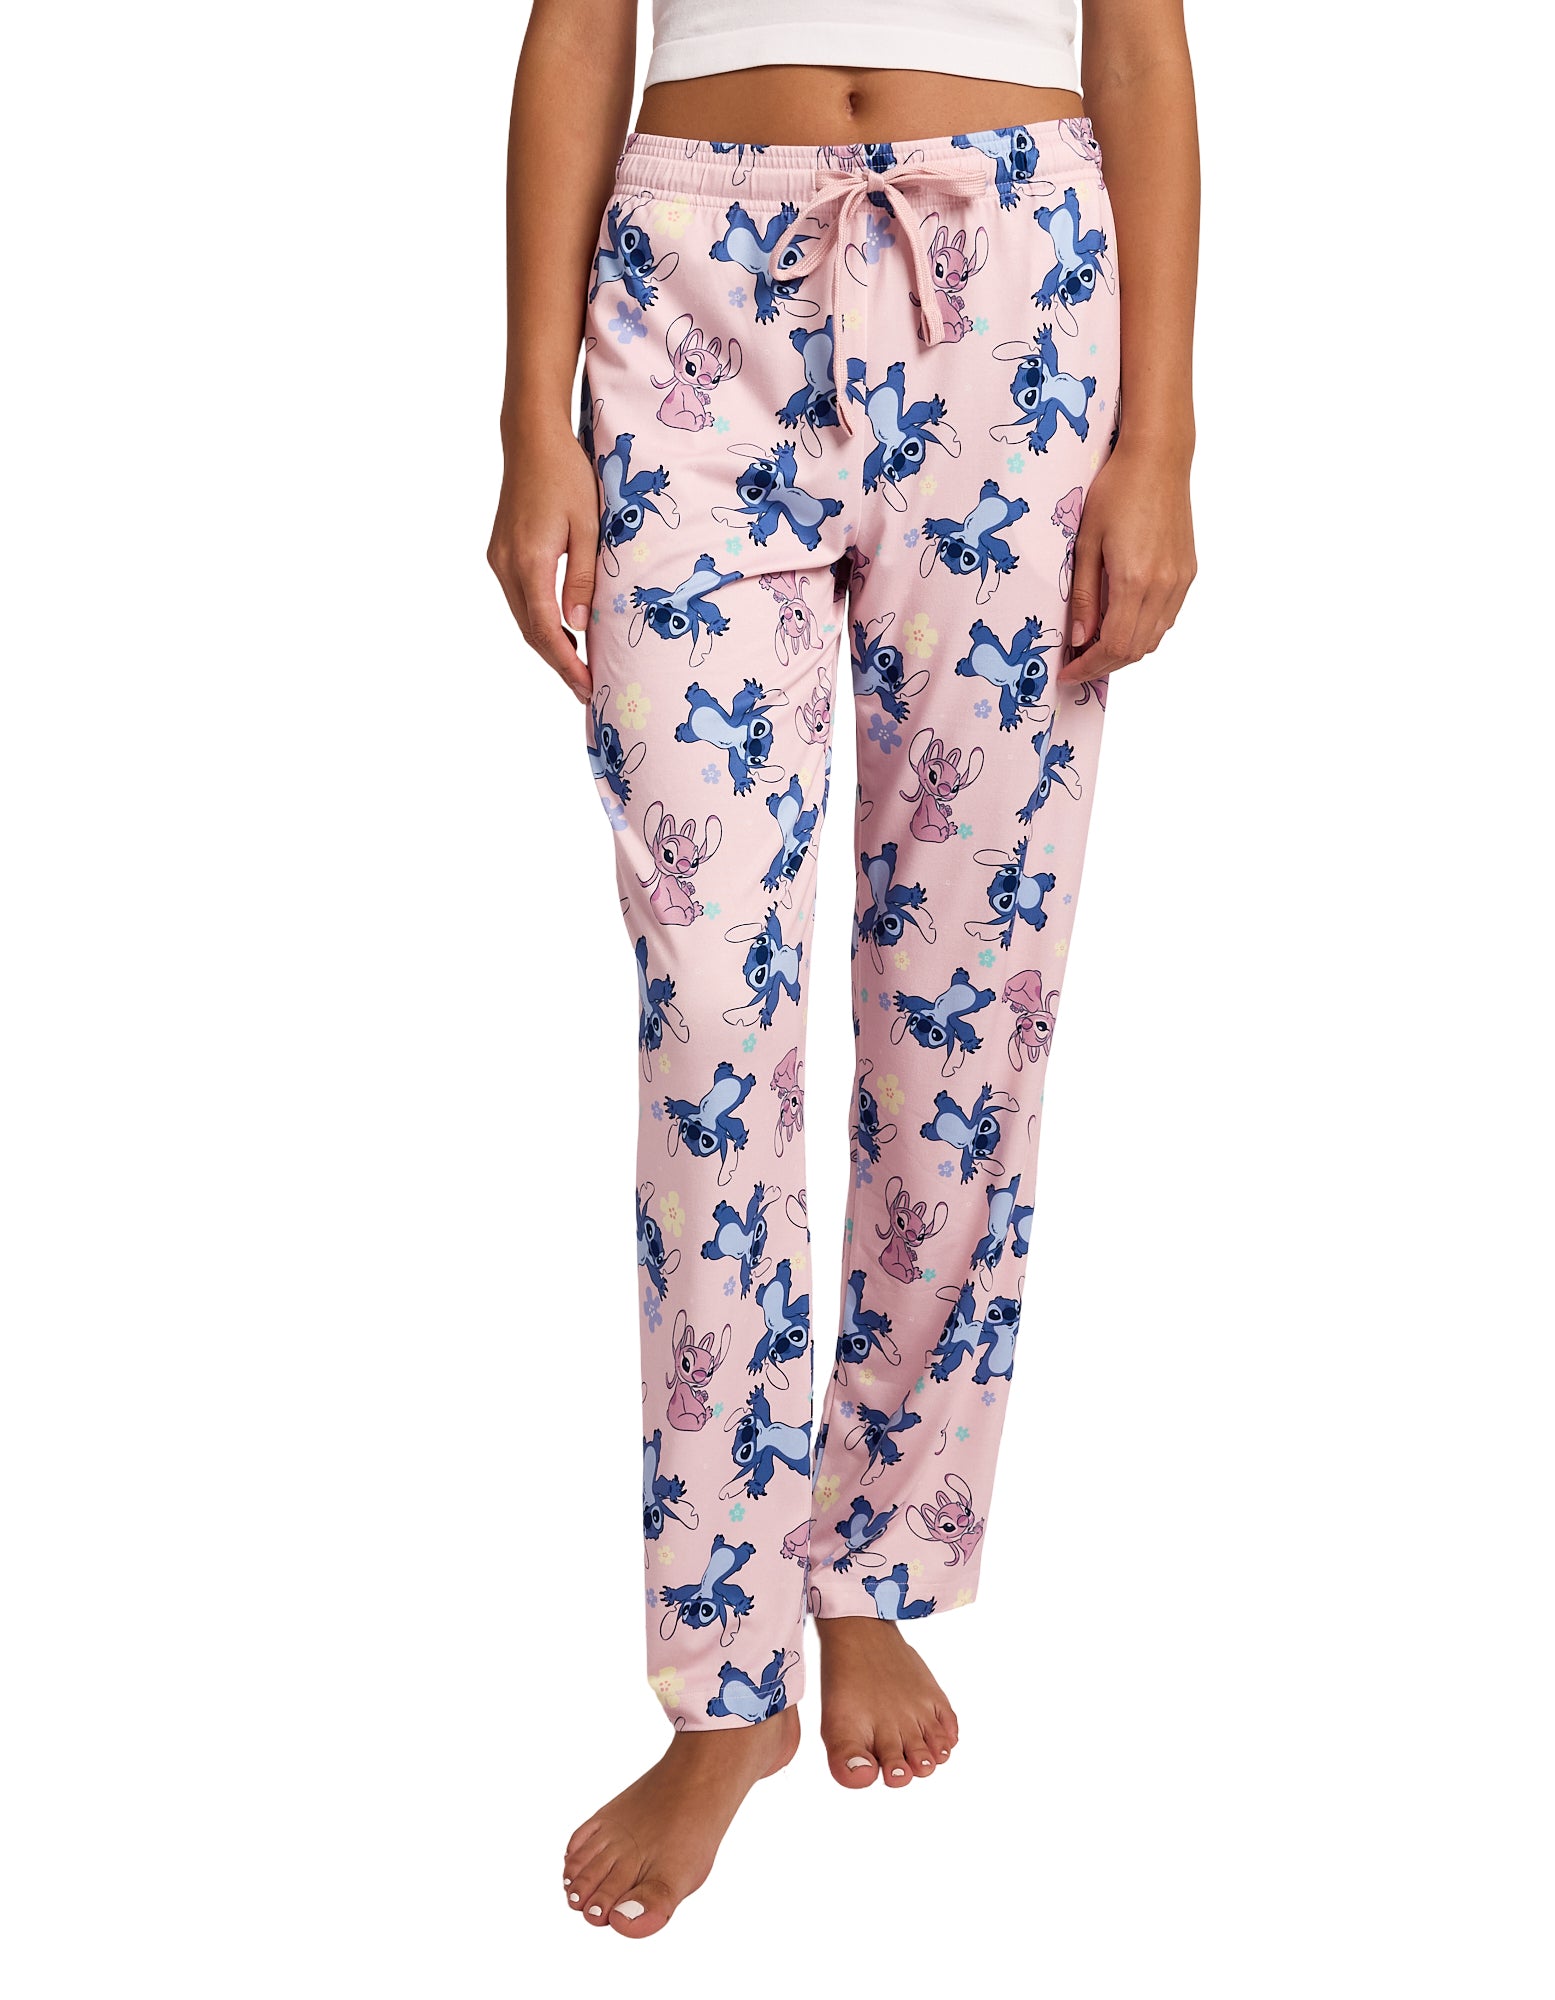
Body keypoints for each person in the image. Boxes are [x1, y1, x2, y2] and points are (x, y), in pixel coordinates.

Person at [487, 0, 1199, 1938]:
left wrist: (1158, 437)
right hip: (687, 292)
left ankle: (872, 1558)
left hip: (1012, 288)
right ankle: (726, 1676)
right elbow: (580, 24)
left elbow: (1139, 41)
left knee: (965, 998)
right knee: (710, 1019)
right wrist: (530, 418)